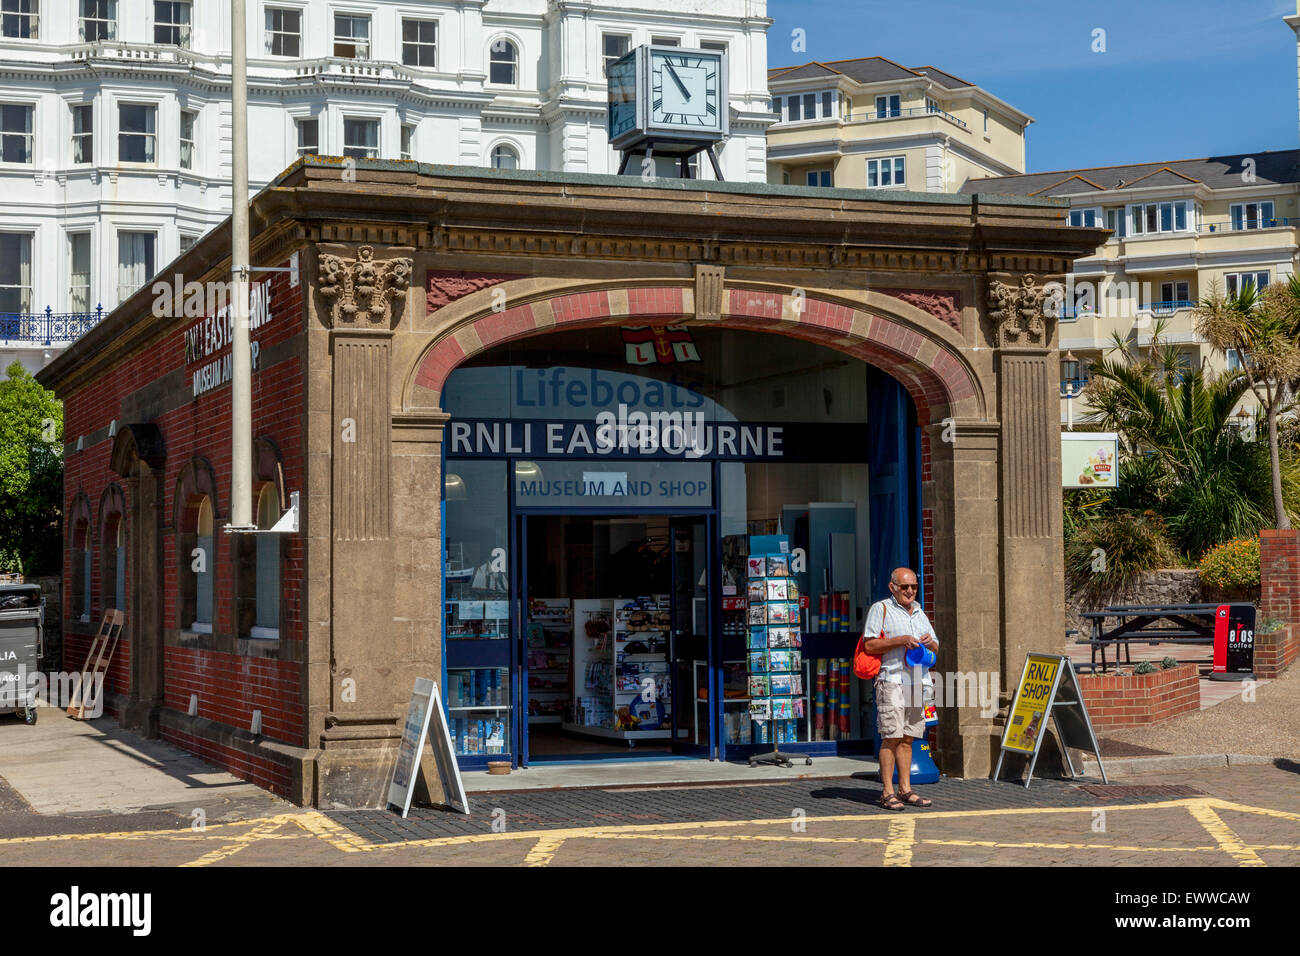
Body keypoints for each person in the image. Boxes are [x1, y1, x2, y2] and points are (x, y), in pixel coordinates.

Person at [860, 567, 938, 810]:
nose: (910, 591)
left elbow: (936, 647)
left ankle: (905, 790)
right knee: (891, 737)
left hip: (918, 682)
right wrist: (900, 640)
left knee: (908, 738)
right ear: (892, 587)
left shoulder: (920, 612)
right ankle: (887, 792)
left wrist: (930, 643)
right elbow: (870, 644)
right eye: (905, 586)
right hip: (891, 679)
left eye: (913, 586)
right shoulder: (881, 609)